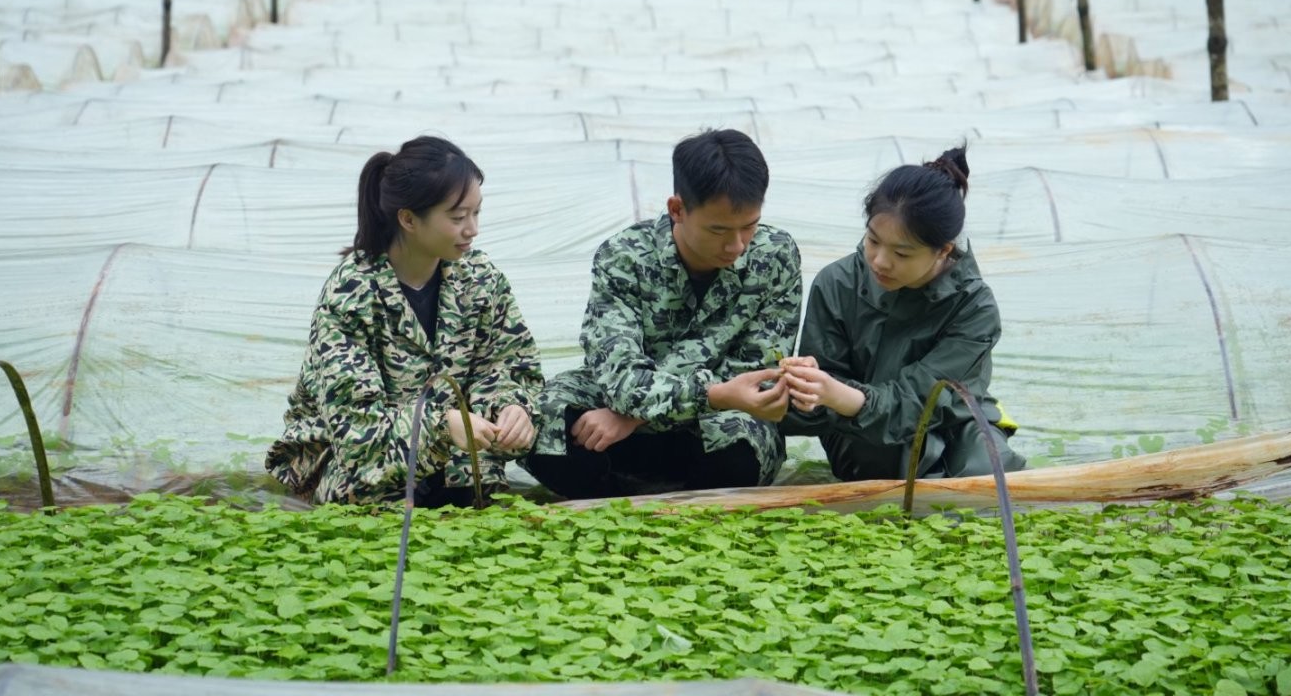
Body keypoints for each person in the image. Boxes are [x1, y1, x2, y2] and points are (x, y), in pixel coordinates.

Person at [522, 129, 802, 498]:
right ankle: (613, 496)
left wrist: (634, 416)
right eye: (718, 229)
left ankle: (627, 487)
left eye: (748, 226)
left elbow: (754, 375)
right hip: (629, 401)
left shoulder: (775, 256)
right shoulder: (624, 256)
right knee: (541, 422)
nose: (736, 245)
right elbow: (618, 374)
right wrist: (706, 394)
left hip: (710, 420)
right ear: (677, 210)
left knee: (741, 447)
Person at [266, 136, 541, 506]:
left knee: (483, 489)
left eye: (477, 213)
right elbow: (358, 435)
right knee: (365, 499)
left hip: (456, 461)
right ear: (408, 219)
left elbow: (510, 364)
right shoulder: (351, 293)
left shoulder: (481, 278)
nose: (472, 229)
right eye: (458, 217)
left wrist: (512, 408)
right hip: (357, 467)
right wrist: (442, 426)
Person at [779, 145, 1024, 480]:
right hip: (856, 431)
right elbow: (819, 399)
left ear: (943, 251)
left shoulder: (974, 307)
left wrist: (840, 393)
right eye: (872, 241)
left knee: (987, 472)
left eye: (902, 253)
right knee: (878, 463)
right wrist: (803, 389)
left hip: (951, 419)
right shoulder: (836, 283)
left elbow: (918, 402)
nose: (880, 261)